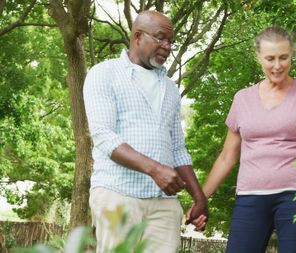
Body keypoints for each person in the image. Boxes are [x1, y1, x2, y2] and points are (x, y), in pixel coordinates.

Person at [189, 26, 296, 253]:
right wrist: (201, 198)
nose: (277, 65)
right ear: (258, 58)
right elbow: (227, 157)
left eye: (284, 57)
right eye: (270, 58)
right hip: (250, 196)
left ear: (292, 55)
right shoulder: (243, 99)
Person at [83, 10, 208, 253]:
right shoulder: (104, 73)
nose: (167, 46)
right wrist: (155, 169)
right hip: (117, 195)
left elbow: (177, 148)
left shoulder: (170, 89)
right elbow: (103, 136)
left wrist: (199, 197)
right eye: (160, 38)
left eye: (170, 41)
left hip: (163, 204)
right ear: (138, 36)